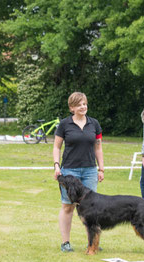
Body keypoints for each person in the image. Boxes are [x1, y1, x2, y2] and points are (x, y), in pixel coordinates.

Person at [53, 92, 104, 253]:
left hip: (89, 170)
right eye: (79, 104)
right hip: (70, 170)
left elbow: (98, 147)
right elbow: (56, 147)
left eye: (85, 104)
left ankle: (93, 242)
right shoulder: (64, 124)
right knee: (68, 206)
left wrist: (101, 168)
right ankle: (65, 243)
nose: (83, 107)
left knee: (92, 208)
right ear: (72, 108)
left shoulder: (94, 124)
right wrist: (56, 165)